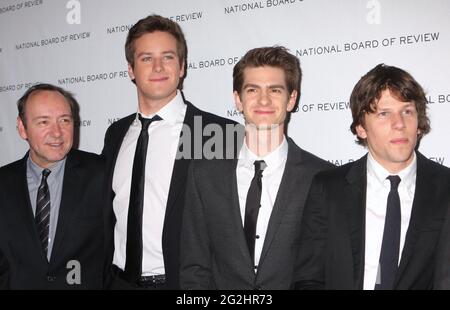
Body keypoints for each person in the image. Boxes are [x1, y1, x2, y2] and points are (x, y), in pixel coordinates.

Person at [102, 14, 240, 290]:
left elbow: (230, 229)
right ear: (130, 69)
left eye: (167, 57)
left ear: (182, 67)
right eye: (145, 58)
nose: (157, 67)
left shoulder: (213, 132)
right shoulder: (116, 133)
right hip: (119, 283)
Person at [179, 46, 333, 289]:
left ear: (291, 99)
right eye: (253, 90)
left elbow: (324, 271)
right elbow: (194, 267)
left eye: (275, 90)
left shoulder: (322, 178)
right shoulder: (204, 175)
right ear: (238, 99)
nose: (264, 100)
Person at [294, 64, 450, 290]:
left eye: (407, 111)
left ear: (418, 122)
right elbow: (308, 278)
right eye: (384, 114)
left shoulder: (445, 188)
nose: (399, 124)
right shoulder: (328, 188)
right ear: (361, 127)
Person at [0, 83, 106, 289]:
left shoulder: (102, 173)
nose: (57, 132)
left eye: (64, 120)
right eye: (43, 122)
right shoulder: (2, 183)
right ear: (22, 128)